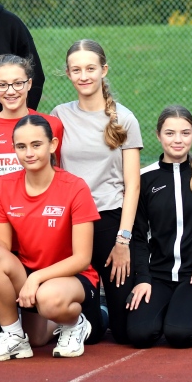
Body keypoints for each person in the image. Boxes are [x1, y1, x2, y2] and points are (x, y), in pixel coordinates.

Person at [0, 115, 102, 361]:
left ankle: (76, 322)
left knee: (49, 300)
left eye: (36, 145)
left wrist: (38, 278)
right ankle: (14, 336)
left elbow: (82, 258)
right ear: (13, 149)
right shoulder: (4, 186)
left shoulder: (75, 187)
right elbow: (2, 247)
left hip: (71, 278)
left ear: (52, 145)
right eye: (21, 147)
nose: (29, 153)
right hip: (30, 276)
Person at [50, 39, 142, 344]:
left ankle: (106, 304)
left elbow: (133, 185)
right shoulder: (59, 116)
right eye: (76, 70)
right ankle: (94, 308)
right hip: (72, 223)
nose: (84, 75)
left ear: (104, 70)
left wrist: (123, 240)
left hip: (109, 221)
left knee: (127, 332)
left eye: (90, 68)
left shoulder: (124, 118)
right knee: (91, 334)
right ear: (68, 73)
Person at [126, 106, 192, 348]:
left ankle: (184, 314)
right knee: (139, 334)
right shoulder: (144, 179)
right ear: (158, 135)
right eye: (170, 133)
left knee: (180, 335)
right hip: (158, 276)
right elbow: (139, 236)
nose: (178, 140)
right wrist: (143, 278)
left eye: (185, 133)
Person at [0, 54, 63, 177]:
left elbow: (57, 172)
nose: (10, 91)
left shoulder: (52, 125)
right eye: (2, 85)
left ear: (29, 84)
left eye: (18, 83)